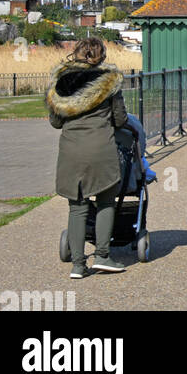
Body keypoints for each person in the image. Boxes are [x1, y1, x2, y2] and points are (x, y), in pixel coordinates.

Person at [47, 37, 129, 279]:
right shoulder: (110, 82)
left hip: (72, 151)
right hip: (101, 148)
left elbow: (55, 122)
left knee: (77, 207)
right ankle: (103, 256)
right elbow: (120, 120)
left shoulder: (61, 82)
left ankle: (78, 264)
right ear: (101, 56)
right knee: (105, 201)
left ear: (77, 53)